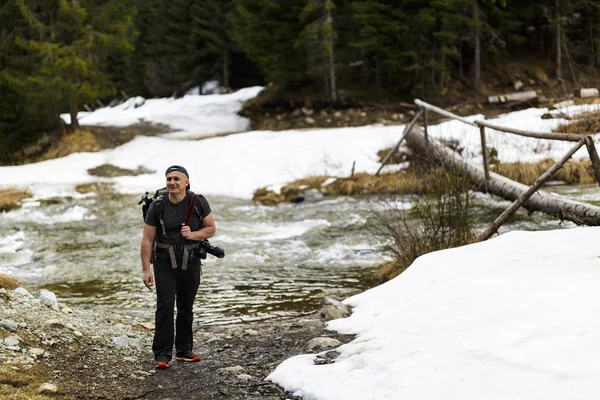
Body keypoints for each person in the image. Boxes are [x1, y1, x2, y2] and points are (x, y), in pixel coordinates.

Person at [140, 165, 216, 369]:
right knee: (165, 306)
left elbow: (211, 229)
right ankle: (162, 355)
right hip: (164, 261)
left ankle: (184, 351)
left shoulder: (198, 202)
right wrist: (146, 269)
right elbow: (147, 240)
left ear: (186, 182)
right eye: (169, 179)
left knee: (185, 306)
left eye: (176, 179)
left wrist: (193, 235)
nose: (172, 182)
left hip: (190, 260)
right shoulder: (157, 206)